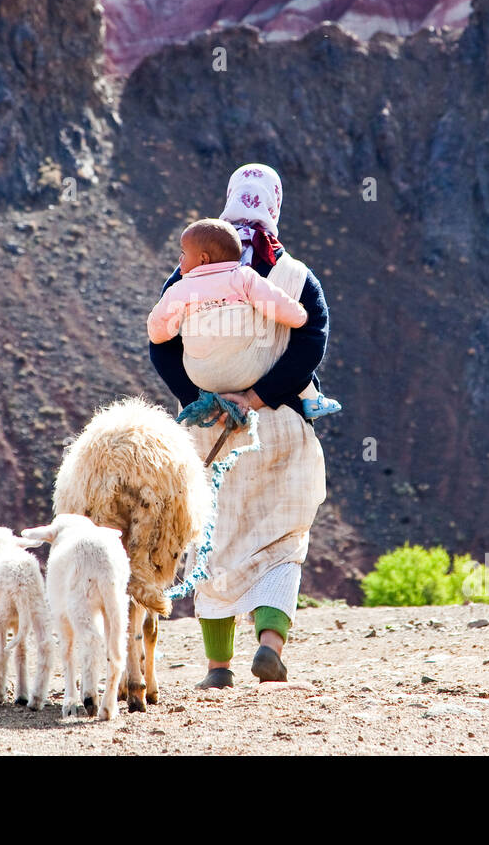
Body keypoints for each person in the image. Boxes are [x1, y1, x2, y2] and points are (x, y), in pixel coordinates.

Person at [149, 163, 331, 687]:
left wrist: (199, 398)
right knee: (282, 539)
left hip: (209, 430)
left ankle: (217, 667)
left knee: (214, 540)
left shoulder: (190, 272)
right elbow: (311, 342)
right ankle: (270, 643)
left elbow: (161, 343)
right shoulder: (295, 277)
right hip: (278, 428)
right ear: (274, 207)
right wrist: (257, 395)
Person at [146, 217, 340, 420]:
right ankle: (312, 397)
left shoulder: (179, 288)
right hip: (251, 376)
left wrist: (198, 403)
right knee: (304, 375)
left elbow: (158, 335)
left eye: (182, 254)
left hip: (202, 380)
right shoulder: (249, 277)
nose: (179, 260)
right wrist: (300, 316)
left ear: (203, 259)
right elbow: (275, 302)